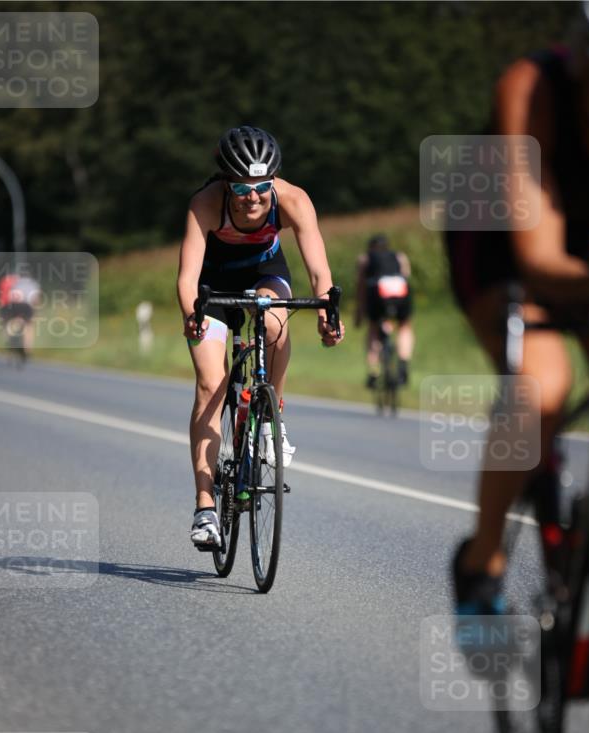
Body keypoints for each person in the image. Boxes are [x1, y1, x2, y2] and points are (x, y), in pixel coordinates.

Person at [446, 0, 589, 615]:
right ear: (585, 62)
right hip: (502, 236)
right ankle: (481, 561)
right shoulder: (532, 88)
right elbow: (540, 259)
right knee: (543, 387)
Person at [177, 125, 345, 550]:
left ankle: (271, 414)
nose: (253, 198)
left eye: (262, 187)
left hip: (264, 275)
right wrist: (191, 316)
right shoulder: (206, 203)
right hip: (212, 288)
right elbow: (187, 278)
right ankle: (205, 508)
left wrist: (328, 312)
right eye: (241, 188)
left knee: (274, 321)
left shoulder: (293, 200)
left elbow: (320, 273)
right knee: (211, 385)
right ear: (225, 182)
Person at [355, 234, 414, 389]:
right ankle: (403, 365)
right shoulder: (400, 256)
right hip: (400, 291)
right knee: (404, 326)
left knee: (373, 328)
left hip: (377, 292)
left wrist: (360, 312)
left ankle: (373, 373)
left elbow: (361, 287)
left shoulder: (365, 259)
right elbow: (406, 277)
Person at [0, 272, 41, 358]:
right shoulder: (33, 284)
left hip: (13, 305)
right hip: (26, 306)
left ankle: (9, 340)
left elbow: (7, 296)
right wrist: (36, 311)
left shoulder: (15, 282)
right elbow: (35, 299)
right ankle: (27, 349)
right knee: (29, 326)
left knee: (8, 323)